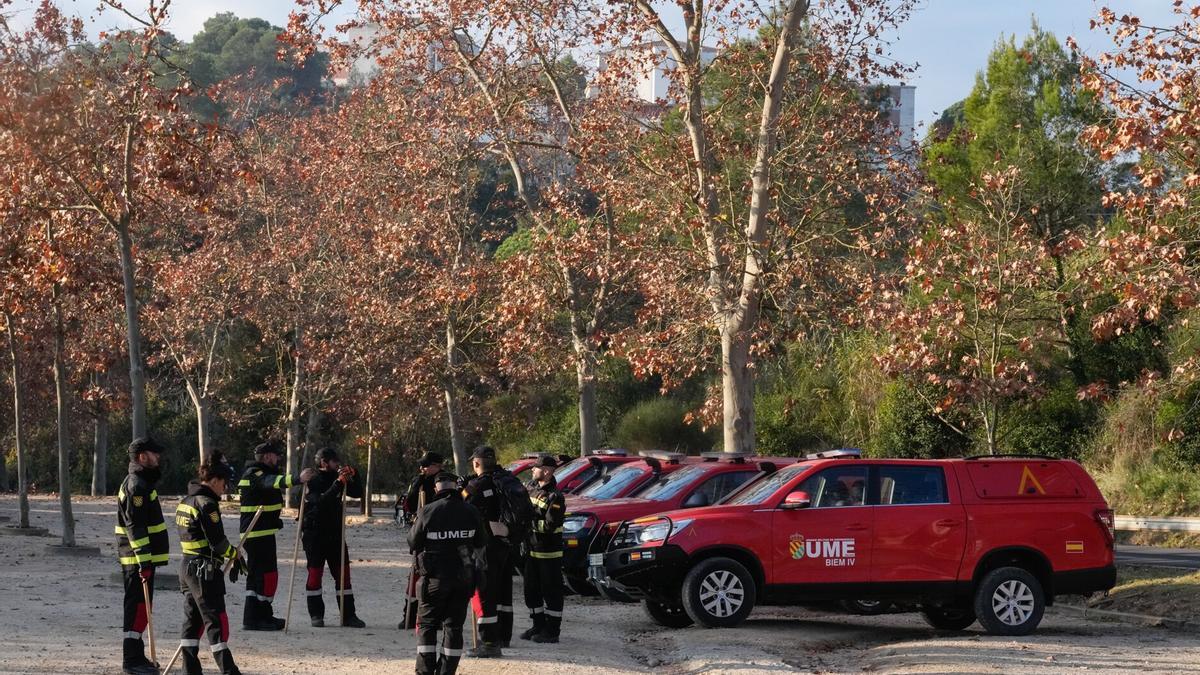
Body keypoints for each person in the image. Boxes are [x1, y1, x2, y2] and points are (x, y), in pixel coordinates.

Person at [408, 471, 487, 675]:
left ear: (436, 488)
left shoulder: (428, 511)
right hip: (463, 578)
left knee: (427, 625)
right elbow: (480, 542)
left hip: (434, 579)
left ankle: (425, 671)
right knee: (454, 627)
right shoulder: (471, 511)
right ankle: (446, 671)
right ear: (455, 487)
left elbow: (412, 542)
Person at [175, 453, 244, 675]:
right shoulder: (207, 504)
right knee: (217, 621)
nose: (225, 488)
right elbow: (217, 541)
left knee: (192, 622)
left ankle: (190, 670)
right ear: (214, 480)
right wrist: (235, 555)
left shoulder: (185, 502)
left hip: (187, 567)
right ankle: (229, 670)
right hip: (204, 570)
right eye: (224, 483)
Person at [237, 439, 315, 630]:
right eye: (275, 455)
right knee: (264, 576)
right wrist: (298, 479)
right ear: (266, 456)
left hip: (262, 532)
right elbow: (272, 482)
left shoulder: (260, 472)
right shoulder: (255, 474)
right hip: (256, 534)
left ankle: (261, 615)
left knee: (260, 576)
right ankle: (256, 619)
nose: (278, 458)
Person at [463, 445, 530, 656]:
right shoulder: (508, 480)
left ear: (476, 463)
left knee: (485, 592)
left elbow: (462, 505)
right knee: (503, 589)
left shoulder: (477, 485)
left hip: (486, 544)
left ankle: (489, 642)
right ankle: (504, 636)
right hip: (506, 542)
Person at [116, 437, 171, 675]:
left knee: (143, 609)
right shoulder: (136, 485)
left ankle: (138, 656)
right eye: (153, 453)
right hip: (137, 561)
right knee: (137, 608)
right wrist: (144, 560)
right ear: (141, 457)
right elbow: (135, 526)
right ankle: (131, 660)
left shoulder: (143, 483)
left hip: (143, 560)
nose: (157, 457)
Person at [301, 447, 366, 628]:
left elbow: (357, 492)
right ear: (324, 462)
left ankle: (348, 615)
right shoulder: (312, 480)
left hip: (335, 533)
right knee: (315, 575)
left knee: (343, 575)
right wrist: (338, 483)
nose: (338, 464)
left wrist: (355, 474)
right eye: (335, 461)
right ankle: (316, 615)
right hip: (315, 534)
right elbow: (321, 502)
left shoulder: (339, 478)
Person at [521, 456, 566, 643]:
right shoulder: (531, 488)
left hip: (549, 553)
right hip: (531, 551)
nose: (532, 470)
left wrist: (526, 523)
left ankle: (552, 631)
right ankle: (538, 625)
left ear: (547, 471)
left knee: (552, 592)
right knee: (531, 591)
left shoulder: (555, 497)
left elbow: (550, 525)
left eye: (536, 468)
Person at [400, 451, 445, 524]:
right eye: (421, 465)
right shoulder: (419, 480)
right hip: (420, 521)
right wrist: (416, 484)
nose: (421, 468)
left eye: (425, 465)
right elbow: (409, 505)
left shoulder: (446, 480)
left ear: (437, 466)